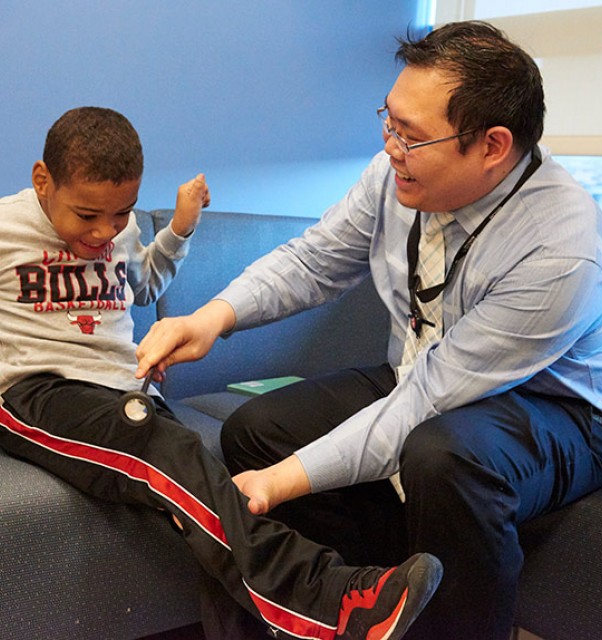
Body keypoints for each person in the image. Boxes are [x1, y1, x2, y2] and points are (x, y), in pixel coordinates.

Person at [136, 21, 602, 640]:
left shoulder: (562, 246)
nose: (391, 145)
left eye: (412, 135)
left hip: (557, 411)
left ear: (492, 146)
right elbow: (314, 260)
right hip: (424, 370)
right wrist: (211, 318)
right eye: (389, 120)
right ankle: (353, 605)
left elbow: (427, 405)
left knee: (442, 455)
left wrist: (272, 486)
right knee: (258, 431)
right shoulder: (395, 175)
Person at [0, 106, 445, 640]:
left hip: (123, 389)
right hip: (38, 391)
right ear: (41, 180)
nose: (104, 231)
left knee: (210, 505)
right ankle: (324, 596)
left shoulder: (115, 233)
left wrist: (180, 229)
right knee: (162, 446)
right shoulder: (6, 229)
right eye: (87, 215)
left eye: (122, 214)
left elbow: (143, 286)